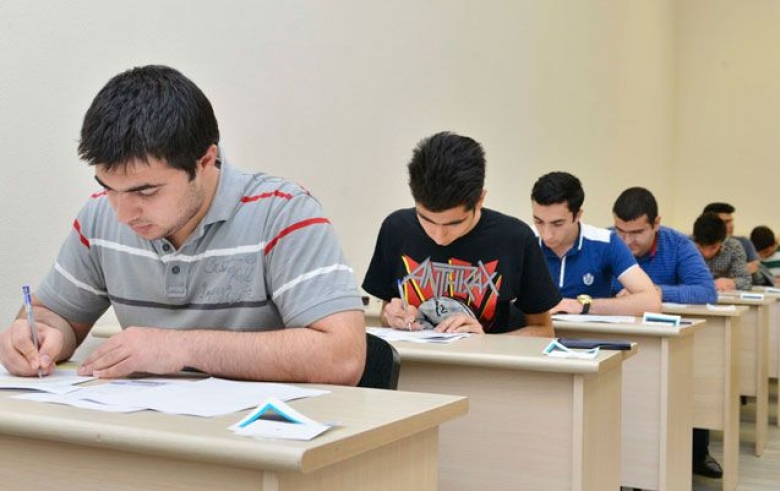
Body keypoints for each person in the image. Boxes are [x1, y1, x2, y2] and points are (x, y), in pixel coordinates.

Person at [0, 65, 366, 384]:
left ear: (205, 161)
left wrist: (180, 348)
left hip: (260, 433)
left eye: (146, 191)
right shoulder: (99, 217)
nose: (123, 214)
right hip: (149, 429)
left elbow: (343, 357)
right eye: (109, 188)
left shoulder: (284, 214)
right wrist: (40, 336)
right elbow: (56, 316)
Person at [362, 131, 561, 336]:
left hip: (482, 357)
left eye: (454, 223)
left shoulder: (515, 238)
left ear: (480, 200)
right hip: (415, 355)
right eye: (426, 220)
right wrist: (392, 317)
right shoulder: (396, 229)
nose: (439, 236)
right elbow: (385, 314)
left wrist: (485, 343)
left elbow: (544, 331)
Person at [612, 187, 722, 479]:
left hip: (670, 340)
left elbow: (706, 291)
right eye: (621, 231)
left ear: (656, 223)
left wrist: (655, 293)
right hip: (619, 335)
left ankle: (697, 453)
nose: (627, 241)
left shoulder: (678, 244)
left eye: (637, 232)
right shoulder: (608, 242)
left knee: (692, 381)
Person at [530, 172, 660, 315]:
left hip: (586, 329)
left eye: (557, 224)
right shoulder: (524, 239)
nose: (547, 234)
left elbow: (651, 301)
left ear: (577, 215)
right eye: (539, 222)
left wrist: (582, 306)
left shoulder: (606, 242)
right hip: (532, 329)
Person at [692, 212, 752, 291]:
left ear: (722, 241)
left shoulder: (733, 247)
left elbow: (746, 281)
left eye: (713, 247)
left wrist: (732, 283)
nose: (707, 253)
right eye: (701, 246)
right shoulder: (685, 246)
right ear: (694, 238)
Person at [702, 202, 760, 274]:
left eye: (731, 221)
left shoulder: (744, 242)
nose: (731, 226)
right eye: (726, 222)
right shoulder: (695, 244)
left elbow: (755, 266)